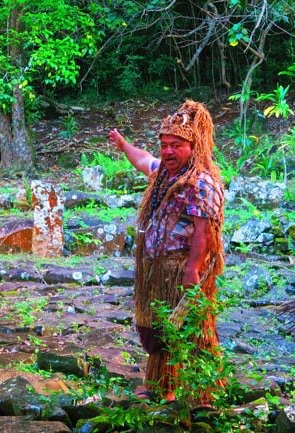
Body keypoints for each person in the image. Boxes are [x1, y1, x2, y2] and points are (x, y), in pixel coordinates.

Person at [108, 100, 225, 405]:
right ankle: (161, 386)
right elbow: (143, 160)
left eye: (176, 145)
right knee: (158, 327)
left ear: (193, 146)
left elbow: (204, 231)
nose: (168, 151)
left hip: (182, 268)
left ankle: (203, 396)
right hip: (156, 270)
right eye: (165, 145)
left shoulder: (202, 182)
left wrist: (192, 270)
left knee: (194, 329)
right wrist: (123, 145)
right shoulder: (164, 174)